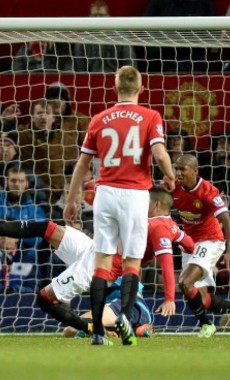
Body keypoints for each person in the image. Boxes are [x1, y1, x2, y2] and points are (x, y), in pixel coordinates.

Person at [0, 186, 190, 339]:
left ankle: (94, 329)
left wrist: (170, 297)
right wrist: (197, 252)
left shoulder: (157, 225)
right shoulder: (168, 225)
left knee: (45, 298)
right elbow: (189, 243)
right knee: (47, 228)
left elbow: (167, 261)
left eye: (146, 201)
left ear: (157, 205)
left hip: (102, 264)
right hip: (94, 248)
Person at [63, 65, 176, 346]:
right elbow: (160, 155)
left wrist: (72, 198)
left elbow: (83, 164)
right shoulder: (150, 116)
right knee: (131, 262)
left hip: (106, 193)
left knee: (102, 262)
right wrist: (171, 177)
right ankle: (125, 320)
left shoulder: (99, 119)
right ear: (140, 88)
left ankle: (98, 333)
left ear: (115, 87)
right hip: (135, 194)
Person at [171, 154, 230, 337]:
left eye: (183, 169)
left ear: (195, 170)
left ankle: (207, 325)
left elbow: (227, 222)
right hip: (191, 243)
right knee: (202, 299)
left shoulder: (208, 191)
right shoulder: (173, 187)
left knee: (184, 283)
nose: (178, 173)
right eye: (177, 168)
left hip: (211, 240)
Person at [73, 1, 136, 73]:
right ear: (89, 17)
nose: (98, 19)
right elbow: (80, 69)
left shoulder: (121, 38)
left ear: (108, 16)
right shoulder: (82, 41)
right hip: (90, 79)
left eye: (101, 15)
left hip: (116, 78)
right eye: (95, 15)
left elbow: (130, 66)